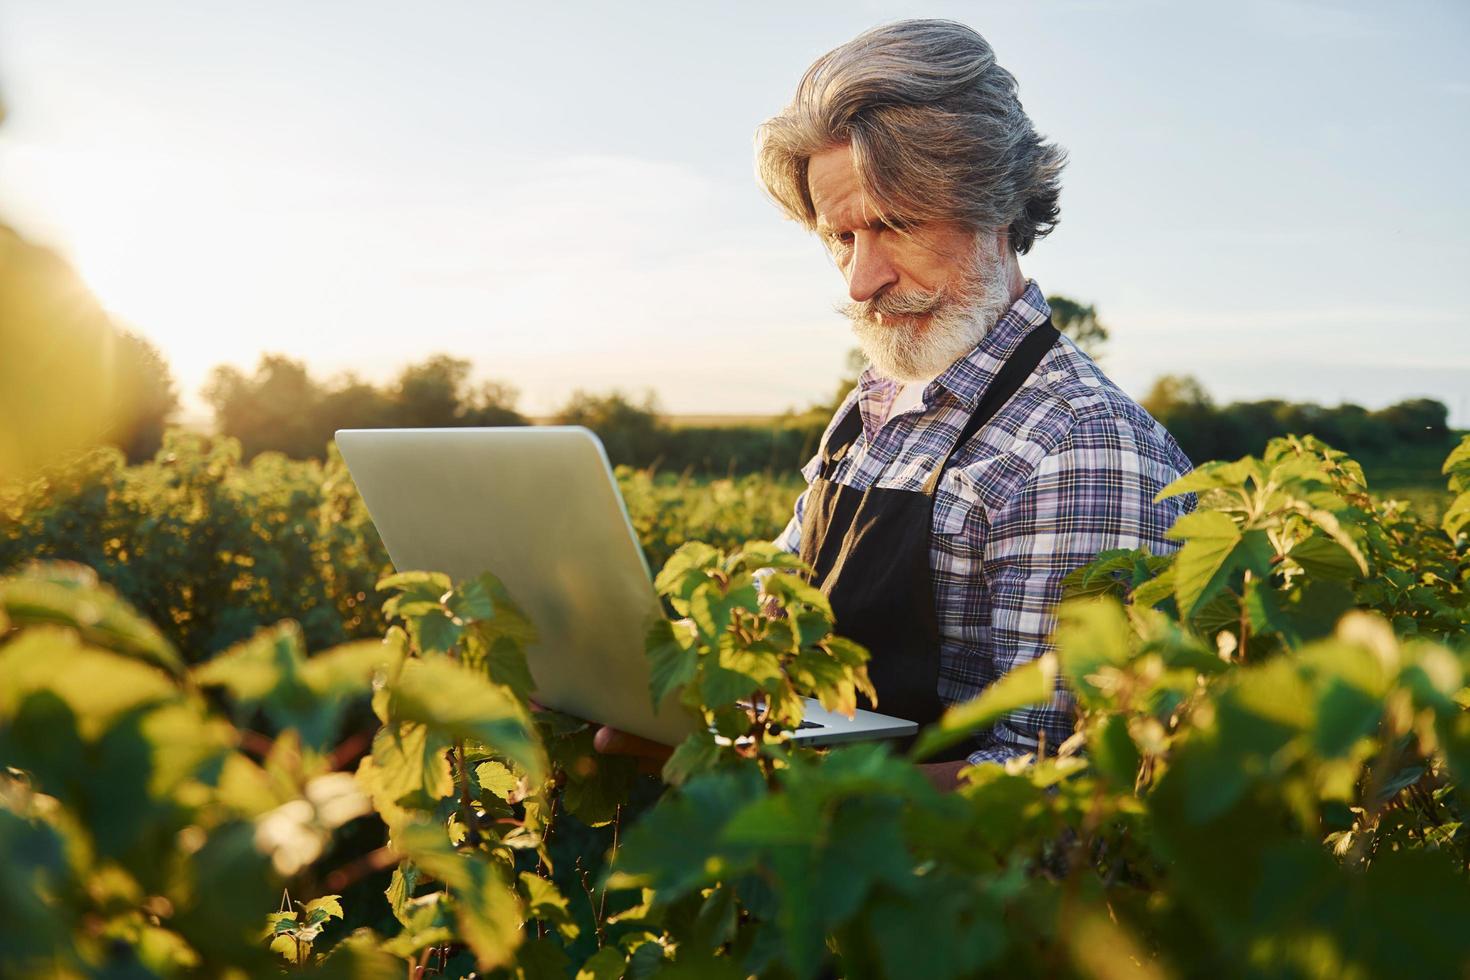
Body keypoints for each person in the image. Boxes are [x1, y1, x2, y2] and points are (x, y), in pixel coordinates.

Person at [596, 18, 1194, 791]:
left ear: (998, 209)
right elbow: (774, 612)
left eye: (896, 225)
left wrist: (775, 782)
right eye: (840, 238)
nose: (858, 280)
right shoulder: (873, 406)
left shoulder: (1077, 445)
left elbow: (1060, 788)